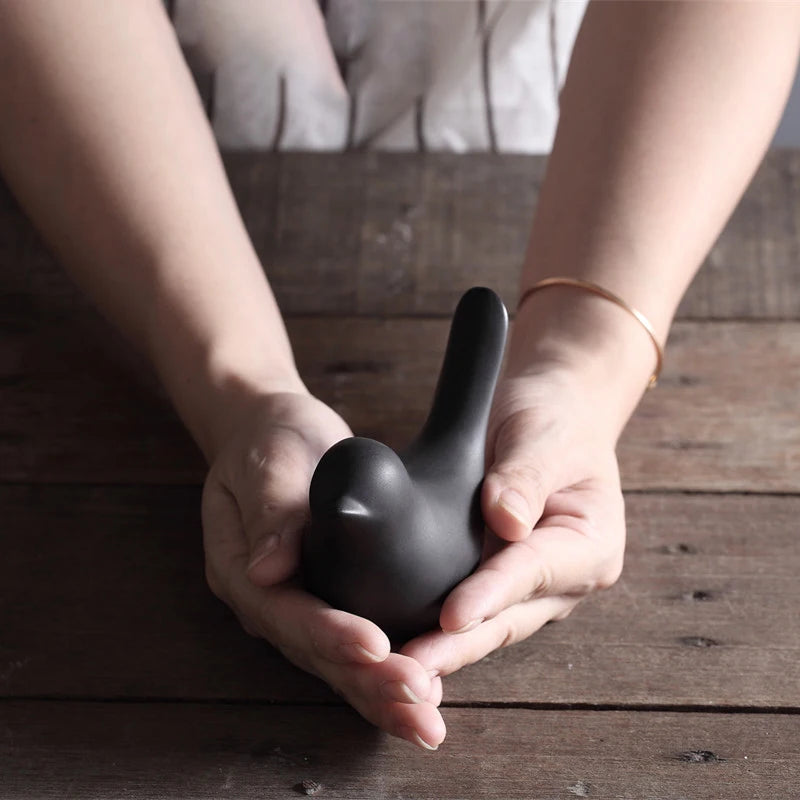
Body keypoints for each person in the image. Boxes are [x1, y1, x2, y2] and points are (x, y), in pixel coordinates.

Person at [0, 1, 798, 752]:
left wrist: (581, 362)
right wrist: (240, 387)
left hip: (580, 148)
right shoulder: (329, 530)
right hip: (128, 149)